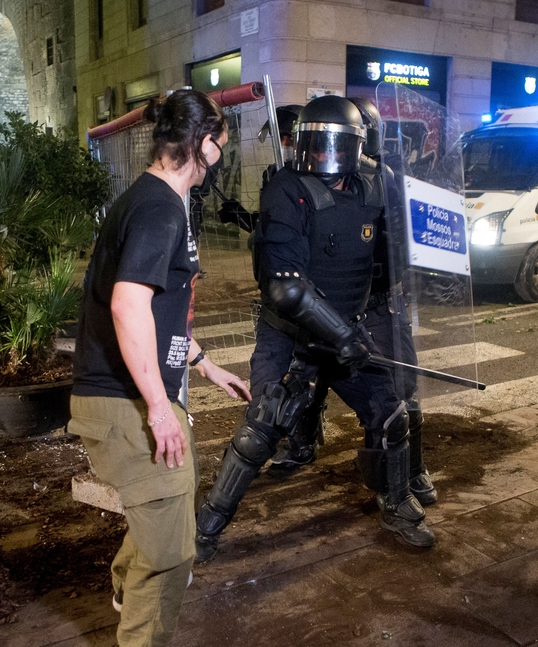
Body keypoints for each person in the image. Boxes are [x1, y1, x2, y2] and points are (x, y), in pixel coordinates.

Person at [193, 95, 436, 563]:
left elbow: (395, 252)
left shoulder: (377, 182)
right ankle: (206, 527)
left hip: (351, 326)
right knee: (267, 420)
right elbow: (286, 288)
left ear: (354, 145)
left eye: (332, 144)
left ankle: (397, 504)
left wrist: (397, 289)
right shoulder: (286, 188)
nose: (320, 154)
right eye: (312, 142)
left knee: (391, 414)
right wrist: (342, 337)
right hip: (291, 333)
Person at [69, 89, 252, 646]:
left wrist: (203, 365)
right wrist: (158, 409)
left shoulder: (152, 202)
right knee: (173, 553)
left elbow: (160, 311)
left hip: (138, 395)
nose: (221, 157)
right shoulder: (159, 208)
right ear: (201, 145)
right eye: (219, 144)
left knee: (172, 510)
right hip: (126, 402)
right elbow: (128, 304)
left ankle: (127, 586)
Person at [269, 97, 437, 506]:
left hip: (378, 300)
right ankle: (303, 444)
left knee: (397, 389)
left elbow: (404, 241)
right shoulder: (302, 183)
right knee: (303, 386)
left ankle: (407, 471)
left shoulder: (383, 181)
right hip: (325, 302)